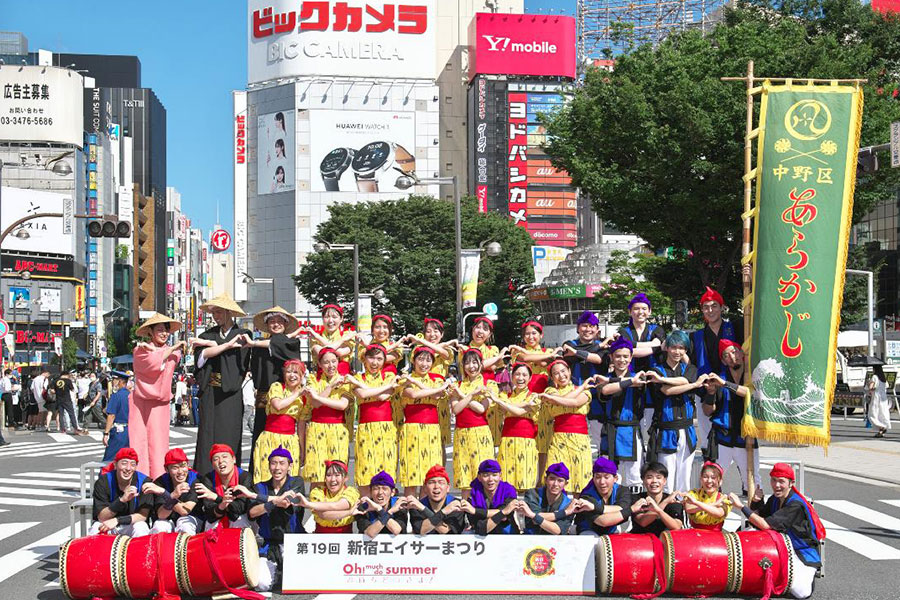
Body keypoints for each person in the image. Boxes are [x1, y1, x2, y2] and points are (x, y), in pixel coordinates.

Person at [729, 463, 826, 599]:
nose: (777, 485)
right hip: (781, 548)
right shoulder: (775, 499)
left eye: (781, 481)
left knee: (801, 593)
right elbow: (759, 517)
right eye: (774, 480)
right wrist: (757, 501)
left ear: (791, 483)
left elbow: (765, 525)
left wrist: (740, 507)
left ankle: (808, 573)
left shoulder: (795, 505)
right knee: (748, 532)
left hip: (801, 552)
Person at [191, 293, 252, 474]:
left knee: (229, 437)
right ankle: (204, 480)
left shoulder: (243, 335)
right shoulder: (207, 334)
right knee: (206, 437)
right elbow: (200, 359)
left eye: (219, 312)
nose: (215, 316)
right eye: (213, 313)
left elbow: (239, 364)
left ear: (229, 313)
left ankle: (229, 479)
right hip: (209, 391)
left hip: (230, 394)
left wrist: (211, 344)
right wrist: (216, 344)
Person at [646, 330, 708, 493]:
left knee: (684, 480)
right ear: (667, 348)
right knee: (666, 478)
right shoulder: (656, 370)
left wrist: (663, 380)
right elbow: (667, 391)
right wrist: (694, 385)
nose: (678, 352)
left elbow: (684, 380)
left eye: (682, 348)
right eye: (674, 347)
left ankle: (681, 515)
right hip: (666, 430)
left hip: (687, 431)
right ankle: (665, 514)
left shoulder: (690, 369)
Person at [244, 306, 302, 478]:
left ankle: (286, 481)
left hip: (285, 398)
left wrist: (254, 342)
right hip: (263, 397)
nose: (275, 324)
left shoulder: (291, 343)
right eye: (271, 321)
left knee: (284, 442)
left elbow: (279, 344)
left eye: (279, 321)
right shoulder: (259, 346)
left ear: (285, 323)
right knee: (260, 440)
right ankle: (259, 481)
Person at [132, 313, 186, 478]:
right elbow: (150, 364)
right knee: (139, 441)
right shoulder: (141, 350)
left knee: (159, 442)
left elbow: (157, 361)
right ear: (150, 332)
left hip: (160, 403)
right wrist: (161, 351)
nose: (164, 334)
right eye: (160, 330)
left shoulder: (172, 353)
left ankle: (159, 478)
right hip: (140, 401)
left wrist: (156, 352)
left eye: (166, 330)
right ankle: (139, 479)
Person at [690, 287, 742, 457]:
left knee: (736, 439)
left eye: (714, 306)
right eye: (706, 307)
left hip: (731, 387)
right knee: (707, 439)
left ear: (722, 307)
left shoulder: (735, 327)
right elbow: (690, 362)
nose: (710, 310)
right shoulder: (696, 336)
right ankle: (710, 469)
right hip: (707, 389)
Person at [703, 340, 760, 493]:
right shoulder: (717, 377)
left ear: (742, 353)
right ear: (723, 360)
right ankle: (713, 515)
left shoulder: (752, 376)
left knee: (753, 484)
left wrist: (725, 384)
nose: (732, 356)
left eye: (734, 351)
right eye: (726, 355)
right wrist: (710, 394)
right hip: (722, 436)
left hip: (746, 435)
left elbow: (750, 393)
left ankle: (753, 516)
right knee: (712, 481)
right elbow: (708, 411)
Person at [248, 447, 306, 592]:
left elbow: (287, 502)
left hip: (293, 541)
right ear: (269, 466)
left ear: (289, 466)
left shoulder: (296, 482)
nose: (277, 467)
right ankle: (277, 569)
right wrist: (273, 502)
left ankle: (282, 570)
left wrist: (261, 500)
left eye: (282, 463)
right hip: (270, 543)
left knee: (296, 585)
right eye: (273, 463)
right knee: (261, 585)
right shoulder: (260, 487)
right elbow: (252, 512)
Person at [346, 345, 400, 497]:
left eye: (379, 359)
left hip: (386, 428)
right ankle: (365, 512)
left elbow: (383, 397)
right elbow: (362, 395)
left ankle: (386, 511)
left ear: (384, 361)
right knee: (365, 469)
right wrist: (384, 387)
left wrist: (384, 387)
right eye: (371, 358)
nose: (375, 362)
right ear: (363, 359)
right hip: (365, 429)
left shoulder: (389, 377)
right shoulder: (357, 378)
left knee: (387, 469)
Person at [538, 360, 601, 491]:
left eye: (563, 371)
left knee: (580, 478)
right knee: (555, 476)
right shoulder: (550, 390)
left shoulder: (585, 390)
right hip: (559, 439)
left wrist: (582, 388)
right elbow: (566, 400)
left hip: (580, 440)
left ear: (569, 371)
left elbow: (574, 403)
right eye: (556, 373)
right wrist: (581, 388)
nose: (561, 376)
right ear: (552, 377)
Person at [396, 347, 450, 497]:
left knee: (430, 477)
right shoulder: (404, 379)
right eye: (420, 359)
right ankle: (411, 513)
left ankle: (426, 515)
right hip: (411, 429)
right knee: (411, 478)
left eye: (428, 360)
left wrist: (416, 382)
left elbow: (438, 395)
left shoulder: (437, 379)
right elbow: (412, 394)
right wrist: (416, 382)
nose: (424, 363)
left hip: (432, 430)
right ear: (413, 360)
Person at [561, 310, 613, 457]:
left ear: (597, 329)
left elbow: (598, 359)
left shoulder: (605, 347)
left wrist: (578, 352)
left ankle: (604, 470)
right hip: (574, 396)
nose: (588, 330)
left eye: (592, 326)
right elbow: (567, 352)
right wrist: (599, 345)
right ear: (578, 328)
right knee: (574, 435)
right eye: (584, 326)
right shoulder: (569, 343)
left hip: (597, 397)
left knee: (600, 437)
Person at [617, 293, 666, 440]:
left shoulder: (657, 329)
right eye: (636, 308)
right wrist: (655, 348)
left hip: (653, 379)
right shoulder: (624, 331)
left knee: (652, 424)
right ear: (630, 312)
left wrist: (632, 347)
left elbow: (633, 350)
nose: (640, 312)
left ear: (649, 311)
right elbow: (627, 352)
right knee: (632, 421)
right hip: (630, 378)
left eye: (644, 308)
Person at [301, 349, 352, 488]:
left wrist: (318, 397)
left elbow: (342, 405)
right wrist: (330, 387)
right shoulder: (313, 379)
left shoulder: (345, 380)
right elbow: (315, 404)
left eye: (334, 361)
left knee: (337, 474)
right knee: (317, 475)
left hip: (338, 430)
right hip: (316, 429)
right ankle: (316, 508)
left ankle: (335, 508)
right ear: (319, 364)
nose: (331, 365)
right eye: (326, 362)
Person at [509, 320, 555, 475]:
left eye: (534, 333)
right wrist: (544, 358)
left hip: (542, 400)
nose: (530, 336)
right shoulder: (518, 353)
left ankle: (541, 479)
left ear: (541, 335)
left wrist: (546, 357)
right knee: (525, 439)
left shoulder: (547, 350)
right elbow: (526, 359)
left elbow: (547, 359)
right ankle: (524, 476)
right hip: (523, 399)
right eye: (527, 334)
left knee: (543, 442)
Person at [449, 348, 497, 496]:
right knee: (465, 476)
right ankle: (465, 510)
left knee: (484, 474)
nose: (471, 366)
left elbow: (481, 408)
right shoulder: (456, 385)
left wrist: (464, 395)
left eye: (475, 362)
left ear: (481, 364)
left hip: (480, 433)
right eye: (467, 363)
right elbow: (456, 409)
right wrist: (472, 395)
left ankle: (483, 511)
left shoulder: (489, 384)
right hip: (461, 433)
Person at [600, 337, 647, 487]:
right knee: (612, 476)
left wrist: (631, 381)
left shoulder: (639, 378)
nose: (622, 360)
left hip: (631, 431)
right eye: (618, 356)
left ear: (631, 357)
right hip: (611, 431)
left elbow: (639, 384)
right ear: (611, 357)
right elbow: (605, 390)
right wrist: (630, 383)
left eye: (626, 356)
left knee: (635, 476)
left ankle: (635, 508)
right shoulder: (606, 378)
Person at [252, 359, 307, 484]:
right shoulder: (277, 387)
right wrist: (297, 393)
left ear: (302, 375)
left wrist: (302, 450)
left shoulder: (304, 398)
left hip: (290, 440)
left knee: (289, 477)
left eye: (296, 372)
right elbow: (277, 405)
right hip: (270, 438)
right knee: (265, 475)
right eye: (288, 372)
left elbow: (301, 425)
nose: (292, 375)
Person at [407, 318, 455, 453]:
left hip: (439, 394)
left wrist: (421, 341)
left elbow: (444, 354)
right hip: (420, 390)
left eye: (436, 331)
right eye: (428, 331)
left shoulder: (448, 350)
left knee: (440, 441)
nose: (432, 334)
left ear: (442, 334)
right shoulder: (417, 349)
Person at [459, 317, 507, 445]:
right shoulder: (464, 349)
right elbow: (484, 365)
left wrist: (494, 360)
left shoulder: (493, 349)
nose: (480, 331)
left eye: (485, 329)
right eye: (478, 327)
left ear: (490, 334)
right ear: (472, 329)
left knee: (492, 431)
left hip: (489, 390)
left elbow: (493, 367)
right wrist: (498, 357)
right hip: (469, 388)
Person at [494, 362, 541, 491]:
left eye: (525, 375)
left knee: (526, 481)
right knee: (506, 482)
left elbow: (518, 412)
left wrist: (501, 402)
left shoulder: (534, 397)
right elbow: (505, 408)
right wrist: (523, 404)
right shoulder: (504, 395)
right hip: (507, 442)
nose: (521, 378)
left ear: (530, 378)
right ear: (512, 376)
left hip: (526, 442)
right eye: (517, 374)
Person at [88, 447, 152, 537]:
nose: (128, 468)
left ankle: (139, 551)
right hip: (108, 523)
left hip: (131, 523)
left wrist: (118, 520)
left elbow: (143, 516)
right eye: (124, 463)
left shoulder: (144, 482)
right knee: (96, 528)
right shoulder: (104, 482)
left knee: (141, 527)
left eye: (133, 464)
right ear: (115, 464)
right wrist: (122, 500)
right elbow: (101, 517)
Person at [142, 448, 204, 535]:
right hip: (168, 519)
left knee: (185, 524)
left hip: (191, 519)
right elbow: (161, 515)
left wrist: (165, 493)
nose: (180, 472)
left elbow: (185, 511)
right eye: (175, 467)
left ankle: (187, 549)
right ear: (166, 469)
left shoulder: (195, 479)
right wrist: (172, 496)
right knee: (159, 526)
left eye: (183, 466)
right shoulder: (160, 482)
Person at [194, 443, 254, 529]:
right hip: (217, 517)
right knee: (211, 526)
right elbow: (210, 513)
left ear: (234, 459)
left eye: (224, 457)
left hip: (238, 518)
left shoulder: (244, 477)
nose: (221, 461)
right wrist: (222, 504)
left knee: (240, 521)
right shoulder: (208, 479)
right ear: (212, 465)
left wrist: (216, 498)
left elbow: (240, 508)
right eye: (216, 459)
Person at [576, 457, 640, 536]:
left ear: (615, 478)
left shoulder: (622, 491)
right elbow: (603, 521)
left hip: (612, 529)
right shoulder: (586, 496)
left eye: (606, 477)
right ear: (593, 478)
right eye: (598, 477)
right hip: (589, 531)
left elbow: (622, 508)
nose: (602, 482)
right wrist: (631, 509)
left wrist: (594, 507)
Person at [459, 459, 520, 535]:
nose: (490, 479)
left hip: (506, 533)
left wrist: (475, 511)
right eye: (486, 475)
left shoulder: (509, 490)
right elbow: (480, 528)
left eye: (494, 475)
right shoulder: (472, 494)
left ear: (500, 476)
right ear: (479, 477)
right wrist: (503, 512)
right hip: (481, 536)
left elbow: (507, 515)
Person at [297, 460, 359, 533]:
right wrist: (349, 512)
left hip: (346, 538)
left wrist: (308, 504)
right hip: (321, 538)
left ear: (345, 478)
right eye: (329, 475)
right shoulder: (317, 492)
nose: (333, 479)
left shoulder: (352, 492)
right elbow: (323, 515)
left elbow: (339, 505)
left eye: (337, 475)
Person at [520, 462, 579, 535]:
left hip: (555, 541)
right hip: (532, 538)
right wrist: (565, 513)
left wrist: (534, 516)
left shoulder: (569, 504)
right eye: (552, 479)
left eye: (560, 480)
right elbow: (533, 520)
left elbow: (557, 530)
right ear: (545, 479)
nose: (555, 484)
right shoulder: (533, 494)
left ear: (566, 484)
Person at [407, 465, 467, 535]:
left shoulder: (456, 505)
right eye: (431, 482)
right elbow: (421, 530)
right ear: (425, 488)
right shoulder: (417, 507)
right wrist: (443, 512)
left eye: (441, 482)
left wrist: (424, 510)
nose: (436, 486)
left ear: (448, 487)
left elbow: (445, 531)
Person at [630, 462, 684, 536]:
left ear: (664, 481)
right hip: (640, 542)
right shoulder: (636, 499)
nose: (654, 481)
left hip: (665, 543)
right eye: (649, 477)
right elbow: (643, 522)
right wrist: (665, 502)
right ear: (643, 480)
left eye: (658, 477)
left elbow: (677, 526)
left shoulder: (672, 500)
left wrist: (659, 509)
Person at [680, 461, 731, 531]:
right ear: (700, 479)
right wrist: (714, 504)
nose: (709, 481)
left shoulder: (724, 498)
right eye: (705, 477)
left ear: (720, 481)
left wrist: (696, 503)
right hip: (693, 534)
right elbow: (689, 509)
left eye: (713, 477)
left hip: (716, 536)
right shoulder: (693, 493)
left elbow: (719, 513)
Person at [354, 471, 409, 537]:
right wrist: (381, 509)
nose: (380, 492)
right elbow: (370, 533)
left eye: (384, 489)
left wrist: (381, 512)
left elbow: (396, 530)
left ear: (392, 492)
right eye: (376, 489)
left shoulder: (399, 505)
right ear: (370, 492)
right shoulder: (364, 508)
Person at [306, 304, 354, 375]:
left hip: (343, 379)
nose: (330, 320)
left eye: (334, 317)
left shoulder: (347, 335)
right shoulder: (315, 338)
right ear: (322, 319)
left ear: (341, 319)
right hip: (322, 381)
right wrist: (342, 340)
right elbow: (323, 352)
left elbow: (340, 352)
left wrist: (318, 337)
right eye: (327, 317)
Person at [102, 371, 131, 461]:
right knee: (127, 459)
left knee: (110, 459)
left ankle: (106, 475)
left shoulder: (116, 396)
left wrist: (106, 433)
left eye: (115, 379)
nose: (113, 382)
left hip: (119, 431)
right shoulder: (131, 395)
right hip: (130, 431)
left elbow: (111, 415)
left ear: (120, 381)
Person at [55, 371, 85, 435]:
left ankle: (62, 429)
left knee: (61, 414)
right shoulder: (68, 381)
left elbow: (52, 390)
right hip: (67, 399)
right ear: (66, 375)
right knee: (72, 414)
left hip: (59, 399)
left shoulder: (56, 381)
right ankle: (75, 428)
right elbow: (72, 389)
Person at [867, 365, 891, 438]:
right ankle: (881, 431)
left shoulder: (874, 377)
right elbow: (887, 386)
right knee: (882, 413)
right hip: (883, 398)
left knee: (872, 414)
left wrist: (869, 383)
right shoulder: (883, 378)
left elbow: (871, 388)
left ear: (875, 369)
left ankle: (882, 427)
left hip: (876, 398)